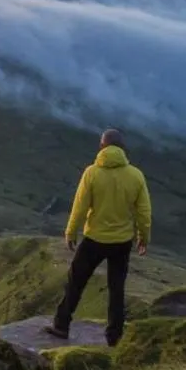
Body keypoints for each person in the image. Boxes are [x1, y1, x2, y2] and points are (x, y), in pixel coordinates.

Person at [45, 128, 152, 347]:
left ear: (102, 146)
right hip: (122, 242)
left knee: (76, 282)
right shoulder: (136, 175)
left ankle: (61, 325)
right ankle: (114, 336)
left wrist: (70, 232)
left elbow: (80, 206)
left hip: (94, 239)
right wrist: (143, 237)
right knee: (117, 289)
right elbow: (144, 212)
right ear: (122, 148)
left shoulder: (92, 173)